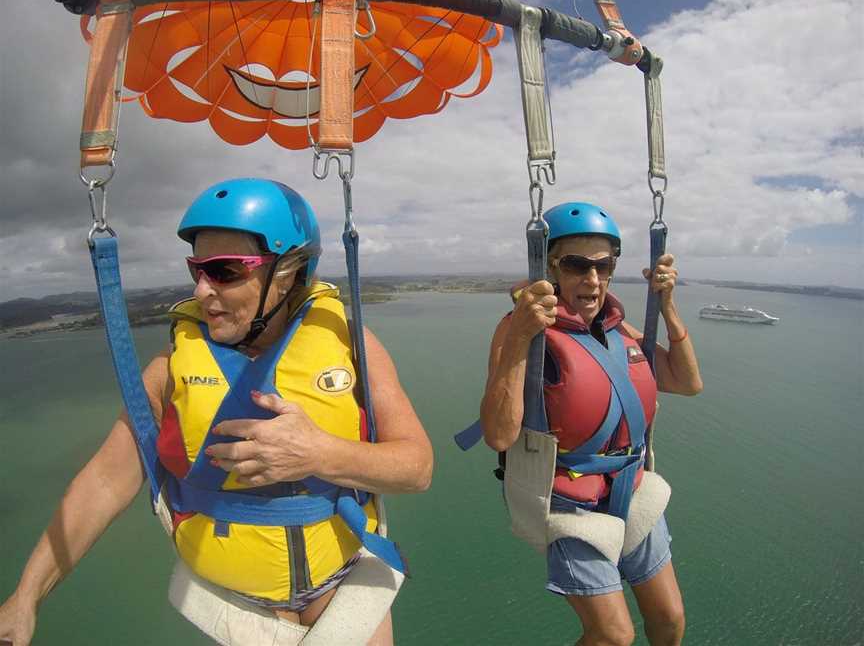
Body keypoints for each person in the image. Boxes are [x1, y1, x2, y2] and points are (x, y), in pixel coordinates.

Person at [0, 178, 433, 646]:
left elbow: (417, 468)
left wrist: (320, 455)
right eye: (197, 270)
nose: (204, 290)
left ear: (290, 272)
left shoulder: (352, 346)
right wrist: (25, 598)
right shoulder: (169, 371)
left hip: (343, 584)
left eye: (225, 270)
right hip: (237, 606)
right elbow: (104, 481)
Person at [480, 202, 702, 646]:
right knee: (612, 636)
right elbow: (499, 434)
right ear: (552, 269)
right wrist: (522, 336)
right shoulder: (521, 329)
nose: (593, 280)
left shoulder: (618, 330)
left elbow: (686, 381)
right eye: (577, 265)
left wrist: (668, 307)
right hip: (569, 499)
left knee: (670, 619)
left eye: (604, 266)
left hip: (630, 485)